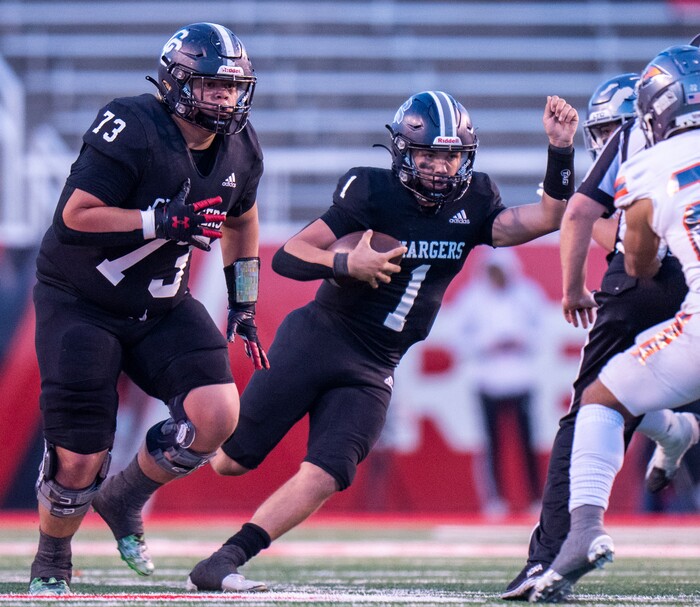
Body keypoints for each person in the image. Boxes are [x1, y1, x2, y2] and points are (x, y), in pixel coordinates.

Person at [163, 89, 578, 592]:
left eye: (449, 158)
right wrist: (345, 263)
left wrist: (560, 150)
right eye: (427, 155)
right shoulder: (370, 191)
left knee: (330, 471)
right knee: (229, 462)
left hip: (376, 364)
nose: (440, 169)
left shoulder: (475, 201)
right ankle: (157, 454)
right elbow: (289, 255)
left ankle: (225, 560)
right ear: (403, 152)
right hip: (319, 338)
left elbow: (548, 217)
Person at [28, 23, 269, 596]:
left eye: (233, 88)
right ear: (178, 83)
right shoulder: (132, 125)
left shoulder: (241, 144)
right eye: (212, 87)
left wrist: (245, 300)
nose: (225, 99)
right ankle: (52, 557)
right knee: (80, 456)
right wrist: (158, 220)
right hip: (82, 301)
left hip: (162, 304)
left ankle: (125, 497)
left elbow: (243, 218)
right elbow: (76, 216)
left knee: (216, 415)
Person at [502, 69, 700, 601]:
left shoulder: (646, 153)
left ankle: (555, 550)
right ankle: (675, 433)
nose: (613, 137)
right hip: (670, 274)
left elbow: (596, 225)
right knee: (612, 397)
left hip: (652, 277)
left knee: (595, 406)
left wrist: (573, 289)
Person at [451, 247, 548, 515]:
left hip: (520, 378)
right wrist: (486, 344)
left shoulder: (526, 294)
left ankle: (534, 499)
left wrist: (521, 339)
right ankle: (495, 500)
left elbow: (542, 330)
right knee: (491, 444)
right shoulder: (472, 298)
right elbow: (458, 337)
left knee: (527, 442)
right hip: (487, 379)